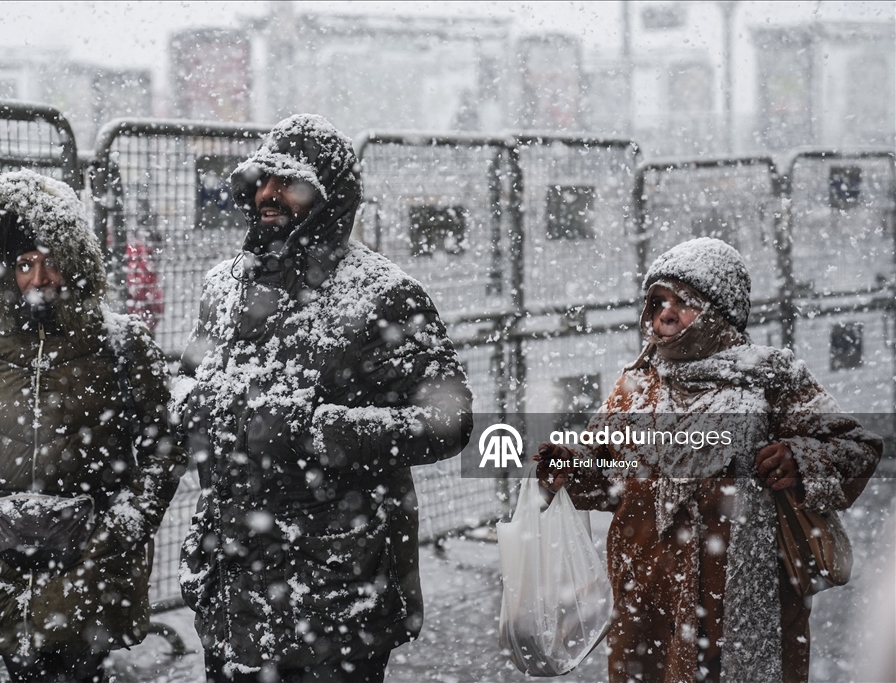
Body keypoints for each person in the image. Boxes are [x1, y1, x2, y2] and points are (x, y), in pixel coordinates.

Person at [176, 113, 474, 683]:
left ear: (330, 194)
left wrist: (322, 432)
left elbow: (450, 418)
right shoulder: (224, 286)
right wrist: (196, 408)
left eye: (287, 181)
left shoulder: (384, 295)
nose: (267, 193)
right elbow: (188, 377)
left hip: (336, 589)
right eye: (261, 179)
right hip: (233, 586)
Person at [533, 237, 881, 683]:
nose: (667, 313)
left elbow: (857, 446)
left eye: (686, 301)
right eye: (658, 300)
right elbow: (609, 473)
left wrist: (800, 457)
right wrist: (569, 465)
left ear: (722, 310)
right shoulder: (637, 386)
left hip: (741, 595)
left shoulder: (769, 378)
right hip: (649, 595)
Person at [0, 170, 186, 683]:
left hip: (88, 567)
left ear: (76, 261)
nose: (40, 279)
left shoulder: (121, 342)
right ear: (6, 271)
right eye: (25, 264)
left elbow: (165, 446)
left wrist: (122, 527)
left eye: (51, 261)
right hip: (1, 563)